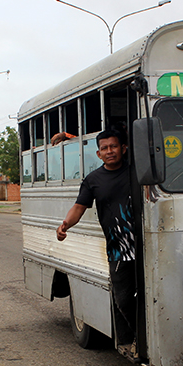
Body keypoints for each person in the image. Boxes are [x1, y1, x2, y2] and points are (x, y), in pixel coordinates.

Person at [56, 129, 137, 354]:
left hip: (144, 247)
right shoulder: (93, 180)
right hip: (118, 251)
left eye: (113, 146)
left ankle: (141, 340)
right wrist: (65, 226)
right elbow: (79, 207)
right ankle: (131, 338)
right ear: (99, 154)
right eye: (104, 148)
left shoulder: (137, 173)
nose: (109, 151)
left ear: (123, 148)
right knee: (123, 300)